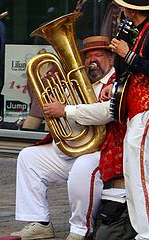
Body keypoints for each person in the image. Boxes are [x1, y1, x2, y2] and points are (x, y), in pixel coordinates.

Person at [10, 36, 118, 240]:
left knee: (83, 168)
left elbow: (107, 112)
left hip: (102, 150)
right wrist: (51, 94)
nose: (92, 60)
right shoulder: (78, 80)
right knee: (28, 157)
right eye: (88, 56)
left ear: (111, 59)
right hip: (73, 147)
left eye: (98, 55)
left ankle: (79, 229)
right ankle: (40, 222)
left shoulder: (116, 81)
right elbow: (59, 108)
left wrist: (66, 110)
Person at [102, 1, 149, 239]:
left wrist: (126, 54)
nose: (121, 11)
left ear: (131, 10)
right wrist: (116, 84)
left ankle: (146, 233)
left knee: (141, 174)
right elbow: (130, 70)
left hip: (146, 110)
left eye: (123, 7)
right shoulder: (139, 31)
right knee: (133, 174)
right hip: (136, 109)